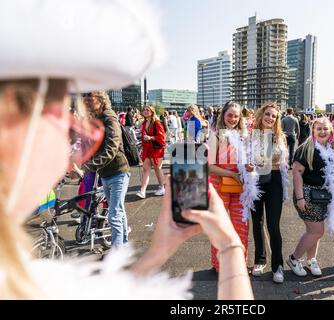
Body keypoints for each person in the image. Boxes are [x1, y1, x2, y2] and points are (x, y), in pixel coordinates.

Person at [0, 0, 253, 300]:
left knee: (116, 211)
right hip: (123, 172)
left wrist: (157, 253)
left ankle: (119, 249)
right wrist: (228, 247)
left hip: (120, 172)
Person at [207, 101, 259, 273]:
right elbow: (209, 166)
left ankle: (238, 264)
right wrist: (231, 175)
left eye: (236, 116)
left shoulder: (244, 136)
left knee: (241, 226)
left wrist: (249, 168)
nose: (233, 119)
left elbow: (247, 161)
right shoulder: (215, 136)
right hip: (218, 184)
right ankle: (220, 265)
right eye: (230, 115)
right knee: (220, 226)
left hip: (239, 186)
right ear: (223, 115)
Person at [76, 91, 131, 250]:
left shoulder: (109, 117)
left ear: (100, 100)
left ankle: (117, 254)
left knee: (114, 214)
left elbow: (111, 148)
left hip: (118, 171)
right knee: (119, 210)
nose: (86, 102)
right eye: (84, 99)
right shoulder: (96, 119)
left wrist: (87, 166)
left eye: (89, 99)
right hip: (106, 173)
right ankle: (124, 245)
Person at [287, 117, 334, 277]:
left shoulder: (331, 148)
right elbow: (296, 172)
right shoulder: (306, 148)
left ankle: (311, 259)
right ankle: (294, 258)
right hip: (307, 194)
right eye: (319, 129)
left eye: (325, 129)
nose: (322, 131)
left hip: (322, 196)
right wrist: (300, 198)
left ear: (330, 130)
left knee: (313, 230)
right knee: (317, 231)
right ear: (313, 131)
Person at [250, 103, 289, 283]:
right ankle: (259, 260)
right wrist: (247, 165)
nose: (270, 118)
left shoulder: (281, 137)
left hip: (274, 181)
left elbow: (284, 163)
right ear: (261, 115)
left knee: (273, 225)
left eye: (274, 116)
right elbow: (244, 157)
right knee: (257, 223)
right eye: (267, 114)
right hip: (256, 180)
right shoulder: (251, 135)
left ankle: (277, 265)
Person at [136, 105, 166, 199]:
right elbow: (144, 135)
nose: (145, 111)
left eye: (147, 110)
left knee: (157, 169)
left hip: (156, 149)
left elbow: (162, 137)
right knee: (145, 169)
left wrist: (151, 138)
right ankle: (142, 190)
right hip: (147, 149)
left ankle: (162, 187)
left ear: (152, 112)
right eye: (144, 110)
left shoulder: (156, 122)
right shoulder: (145, 123)